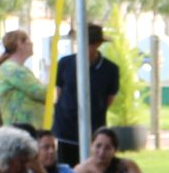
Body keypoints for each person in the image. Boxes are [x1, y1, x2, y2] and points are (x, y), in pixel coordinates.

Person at [49, 23, 118, 164]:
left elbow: (109, 99)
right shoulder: (65, 63)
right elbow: (59, 92)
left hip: (94, 129)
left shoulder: (110, 69)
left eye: (90, 44)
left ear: (98, 44)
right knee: (65, 167)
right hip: (65, 129)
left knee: (92, 167)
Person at [0, 28, 46, 132]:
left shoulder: (18, 68)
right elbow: (40, 92)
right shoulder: (12, 69)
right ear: (19, 43)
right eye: (28, 40)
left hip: (27, 130)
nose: (32, 43)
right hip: (21, 131)